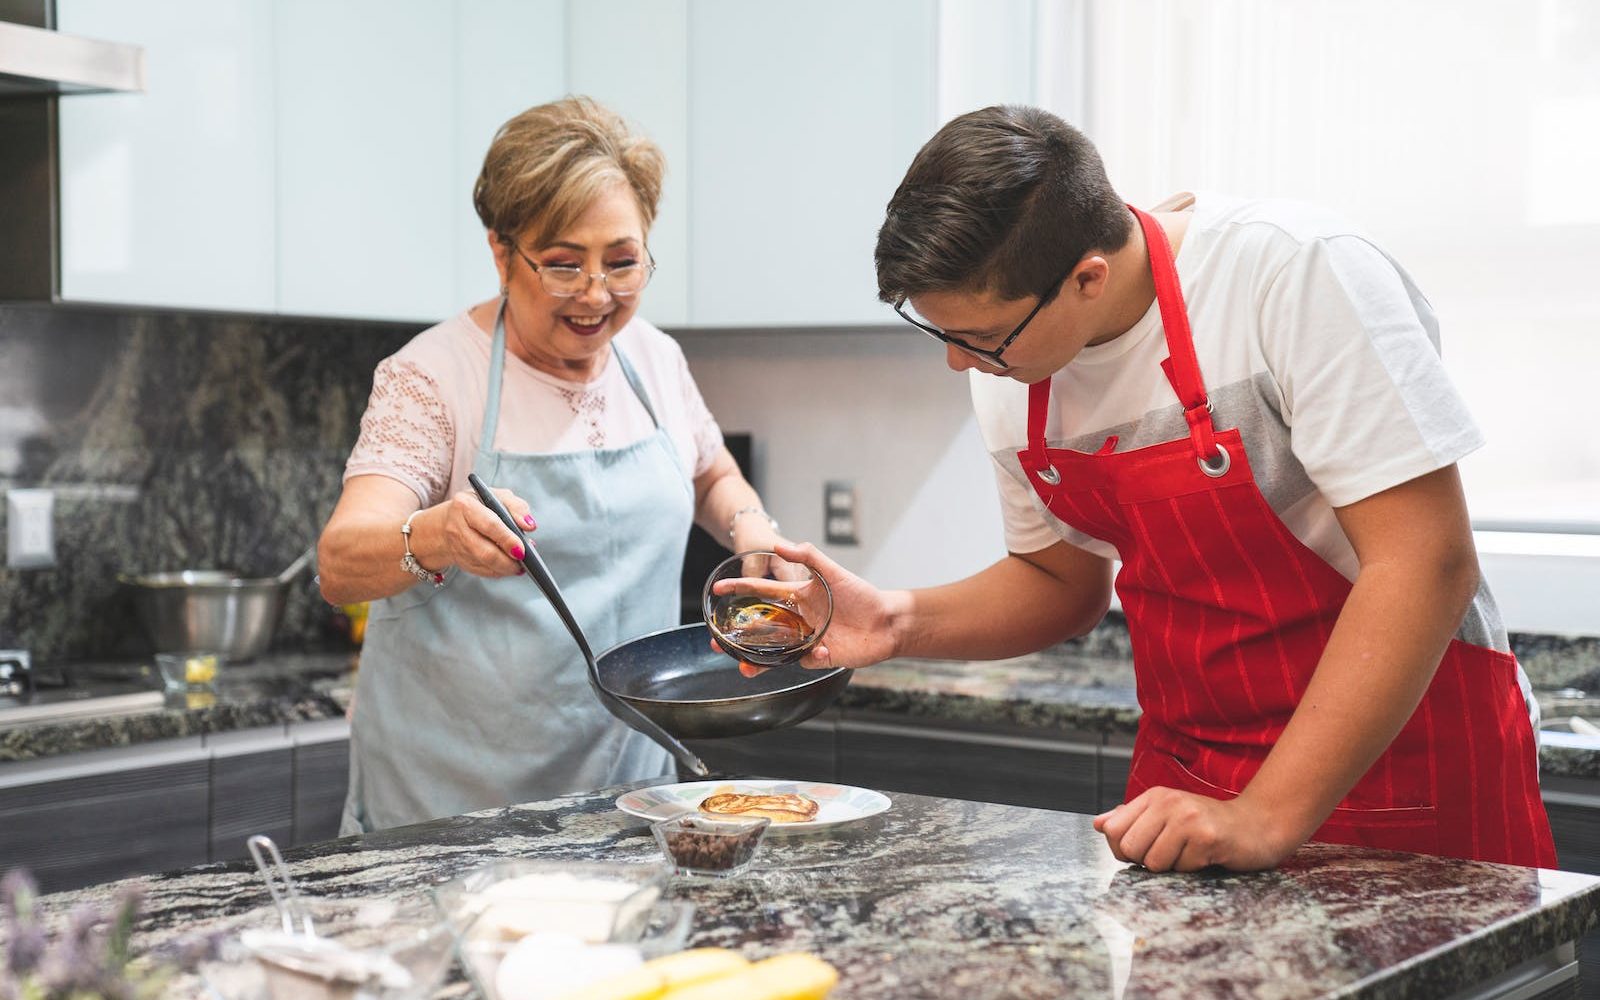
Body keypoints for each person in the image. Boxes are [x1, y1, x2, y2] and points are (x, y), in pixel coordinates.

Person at [757, 105, 1556, 871]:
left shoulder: (1294, 275)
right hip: (1190, 782)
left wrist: (1267, 814)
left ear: (1087, 279)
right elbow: (1060, 583)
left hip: (1404, 767)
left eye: (978, 339)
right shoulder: (1016, 361)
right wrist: (894, 620)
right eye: (941, 333)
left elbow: (1424, 563)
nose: (959, 363)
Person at [317, 97, 782, 833]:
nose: (597, 294)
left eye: (623, 263)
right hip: (450, 808)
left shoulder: (654, 361)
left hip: (627, 793)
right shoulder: (434, 378)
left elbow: (710, 473)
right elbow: (340, 564)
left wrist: (752, 532)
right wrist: (437, 536)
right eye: (564, 265)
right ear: (503, 253)